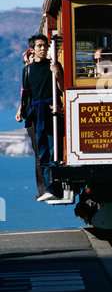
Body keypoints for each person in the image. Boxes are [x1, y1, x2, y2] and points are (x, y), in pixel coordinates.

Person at [22, 34, 64, 202]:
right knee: (43, 152)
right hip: (37, 114)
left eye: (44, 45)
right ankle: (49, 188)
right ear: (32, 49)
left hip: (52, 112)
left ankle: (56, 188)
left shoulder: (53, 65)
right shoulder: (28, 70)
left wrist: (57, 73)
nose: (42, 48)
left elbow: (62, 88)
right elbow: (27, 95)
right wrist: (24, 112)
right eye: (39, 46)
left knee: (55, 151)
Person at [15, 47, 46, 198]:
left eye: (30, 58)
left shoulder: (36, 74)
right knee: (38, 154)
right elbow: (25, 96)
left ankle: (45, 188)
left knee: (41, 153)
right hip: (31, 117)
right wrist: (20, 109)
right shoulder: (27, 74)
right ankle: (42, 189)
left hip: (38, 115)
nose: (27, 62)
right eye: (26, 59)